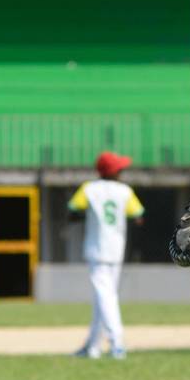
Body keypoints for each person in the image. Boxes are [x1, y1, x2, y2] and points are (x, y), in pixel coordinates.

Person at [68, 151, 145, 359]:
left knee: (105, 296)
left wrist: (84, 216)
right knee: (103, 297)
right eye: (119, 169)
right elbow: (138, 216)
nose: (122, 171)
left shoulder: (89, 189)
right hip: (116, 249)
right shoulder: (125, 190)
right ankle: (92, 346)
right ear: (113, 171)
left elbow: (73, 210)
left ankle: (116, 343)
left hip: (96, 248)